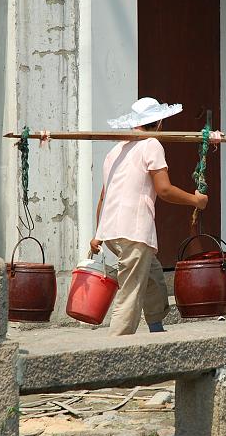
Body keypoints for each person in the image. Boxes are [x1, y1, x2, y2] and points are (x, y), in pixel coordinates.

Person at [90, 97, 209, 336]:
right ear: (159, 124)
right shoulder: (152, 144)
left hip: (113, 232)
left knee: (153, 278)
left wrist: (98, 234)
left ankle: (156, 329)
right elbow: (164, 190)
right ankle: (116, 349)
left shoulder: (115, 150)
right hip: (133, 231)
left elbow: (104, 196)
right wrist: (196, 200)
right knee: (130, 293)